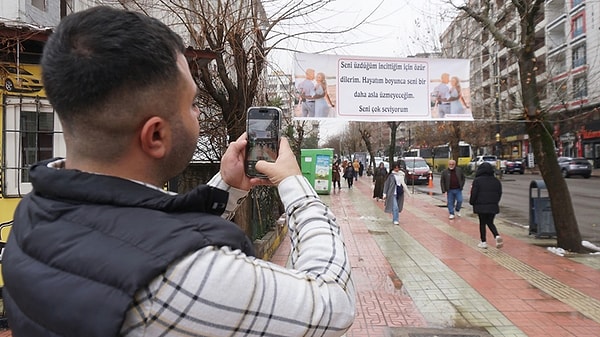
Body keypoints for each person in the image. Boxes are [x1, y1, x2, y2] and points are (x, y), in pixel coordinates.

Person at [2, 6, 355, 337]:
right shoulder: (184, 274)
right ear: (156, 135)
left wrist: (226, 188)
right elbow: (333, 304)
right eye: (192, 103)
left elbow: (140, 230)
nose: (198, 114)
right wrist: (294, 185)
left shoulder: (33, 215)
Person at [469, 162, 504, 249]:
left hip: (481, 205)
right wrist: (495, 202)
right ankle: (496, 236)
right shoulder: (496, 181)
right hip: (493, 205)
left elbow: (474, 193)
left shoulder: (477, 181)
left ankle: (483, 241)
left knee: (482, 223)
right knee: (490, 222)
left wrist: (472, 202)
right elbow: (499, 193)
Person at [382, 161, 410, 225]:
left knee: (397, 207)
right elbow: (386, 184)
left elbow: (404, 183)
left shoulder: (402, 174)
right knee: (395, 207)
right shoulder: (391, 176)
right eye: (395, 168)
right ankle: (396, 220)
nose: (397, 169)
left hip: (399, 193)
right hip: (392, 194)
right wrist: (384, 193)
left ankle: (395, 217)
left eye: (398, 168)